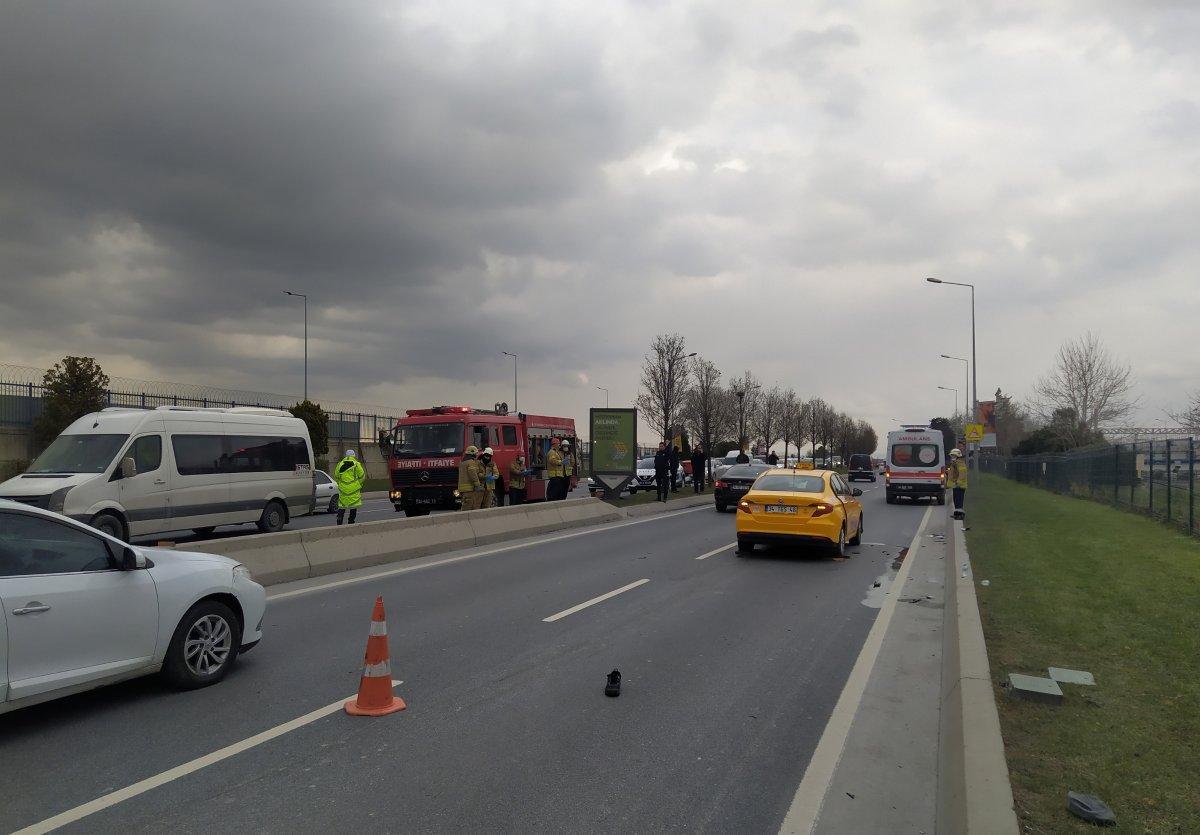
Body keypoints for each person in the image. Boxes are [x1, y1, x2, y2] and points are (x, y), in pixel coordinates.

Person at [334, 449, 366, 525]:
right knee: (354, 505)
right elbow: (362, 476)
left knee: (342, 505)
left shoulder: (340, 464)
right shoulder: (356, 464)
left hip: (343, 488)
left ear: (346, 456)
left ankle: (339, 520)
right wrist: (359, 484)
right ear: (354, 456)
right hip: (354, 488)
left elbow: (336, 476)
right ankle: (351, 521)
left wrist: (341, 484)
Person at [457, 445, 484, 510]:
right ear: (473, 454)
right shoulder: (471, 462)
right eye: (476, 454)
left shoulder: (462, 463)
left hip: (462, 489)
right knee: (469, 508)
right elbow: (473, 475)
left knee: (465, 505)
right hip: (469, 489)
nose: (476, 455)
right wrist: (477, 485)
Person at [947, 447, 968, 519]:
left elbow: (962, 474)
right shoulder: (954, 464)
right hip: (956, 485)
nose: (952, 457)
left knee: (959, 500)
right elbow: (952, 474)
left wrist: (958, 482)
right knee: (956, 499)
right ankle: (957, 514)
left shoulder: (960, 463)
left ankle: (961, 515)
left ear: (957, 456)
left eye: (953, 456)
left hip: (960, 485)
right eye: (951, 456)